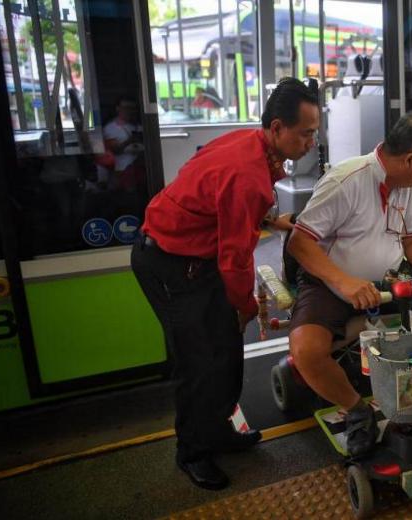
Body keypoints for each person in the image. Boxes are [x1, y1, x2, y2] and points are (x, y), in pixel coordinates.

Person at [130, 78, 318, 490]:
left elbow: (216, 199)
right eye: (305, 133)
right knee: (199, 361)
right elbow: (234, 259)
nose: (311, 142)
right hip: (169, 263)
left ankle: (218, 431)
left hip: (198, 257)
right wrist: (247, 307)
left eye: (315, 132)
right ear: (276, 129)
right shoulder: (247, 173)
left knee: (228, 350)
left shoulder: (250, 144)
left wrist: (269, 220)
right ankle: (193, 452)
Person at [286, 110, 412, 457]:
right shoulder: (346, 180)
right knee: (306, 350)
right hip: (330, 283)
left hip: (387, 283)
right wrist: (345, 283)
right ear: (410, 159)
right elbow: (299, 242)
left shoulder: (407, 186)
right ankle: (357, 411)